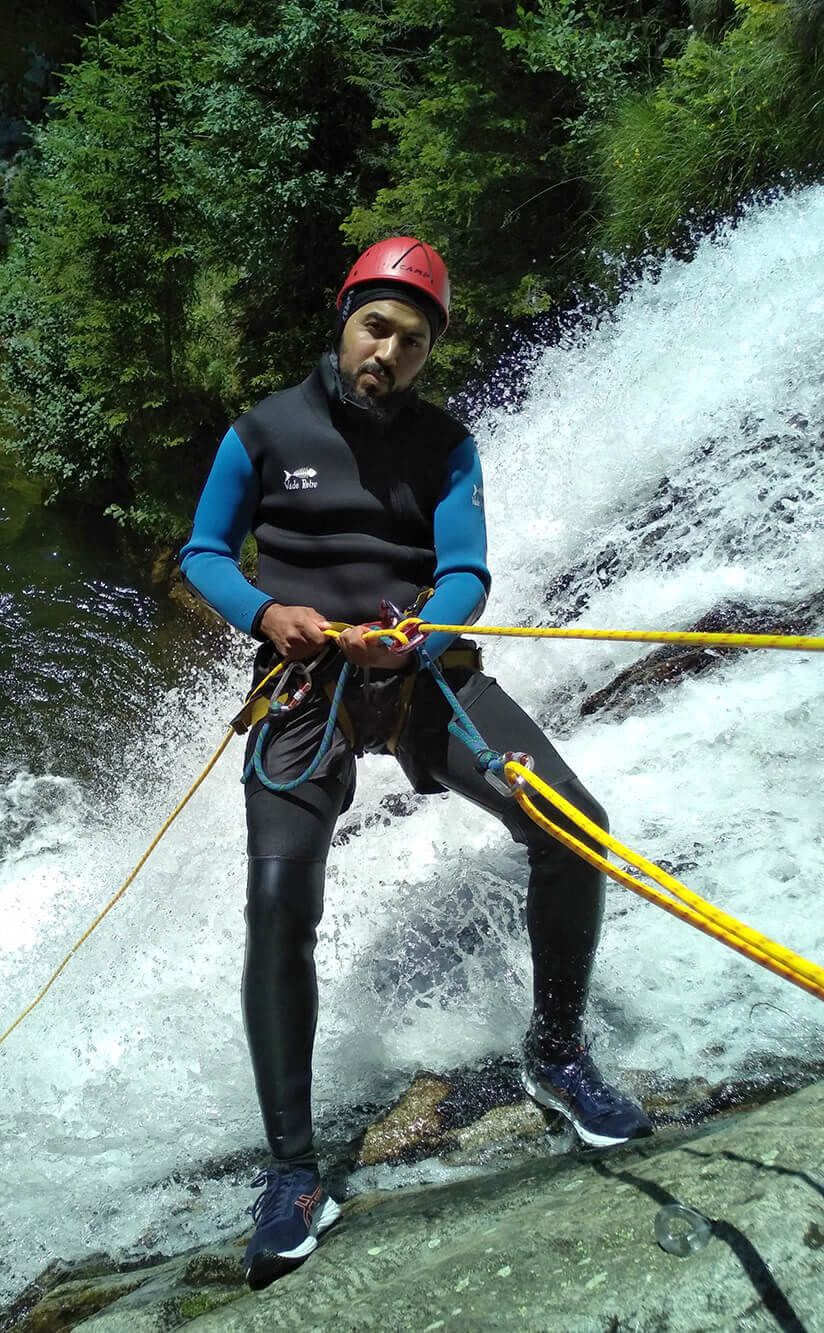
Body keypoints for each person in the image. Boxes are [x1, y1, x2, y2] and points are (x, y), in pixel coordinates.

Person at [179, 237, 651, 1289]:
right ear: (344, 318)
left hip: (423, 672)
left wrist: (422, 631)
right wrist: (267, 612)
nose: (388, 352)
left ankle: (557, 1052)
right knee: (277, 902)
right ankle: (293, 1170)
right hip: (305, 683)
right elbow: (203, 552)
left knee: (575, 826)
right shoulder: (263, 431)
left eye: (412, 340)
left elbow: (467, 571)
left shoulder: (447, 444)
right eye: (376, 328)